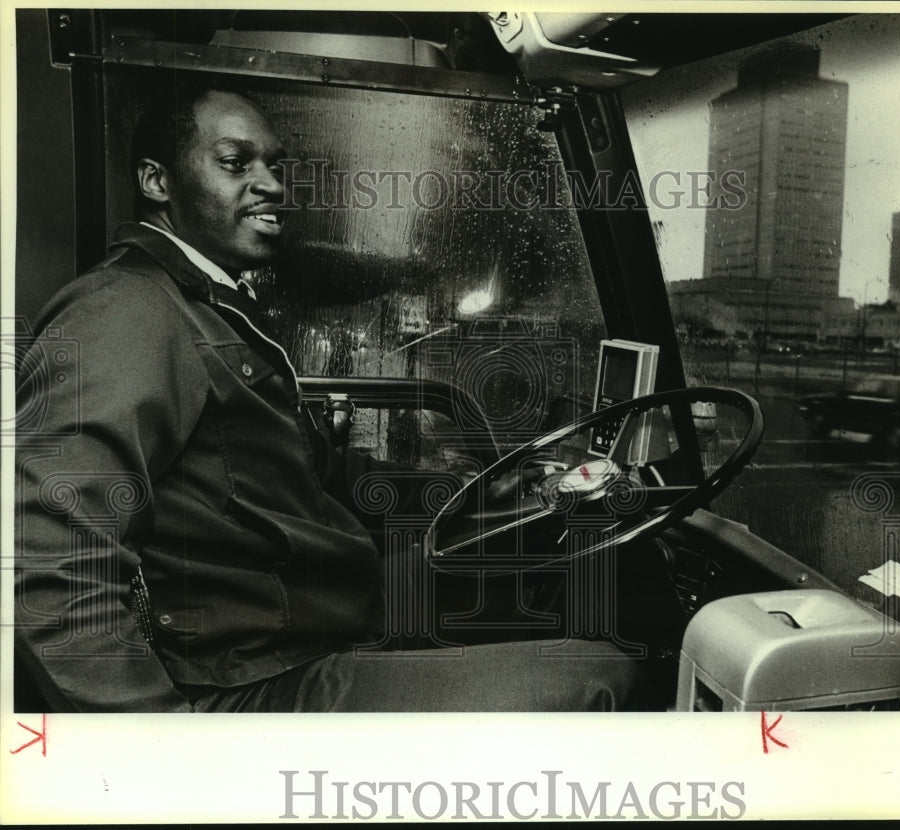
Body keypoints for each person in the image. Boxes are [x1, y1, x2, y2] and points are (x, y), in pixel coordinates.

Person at [14, 79, 654, 712]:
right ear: (157, 182)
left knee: (538, 574)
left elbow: (315, 471)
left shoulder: (210, 304)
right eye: (236, 163)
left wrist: (478, 490)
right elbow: (49, 558)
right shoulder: (126, 314)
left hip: (309, 611)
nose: (271, 185)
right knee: (602, 677)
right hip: (250, 678)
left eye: (275, 166)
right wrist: (166, 748)